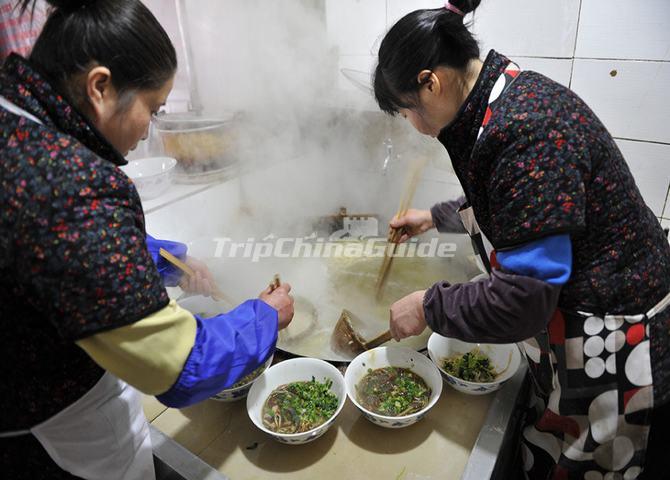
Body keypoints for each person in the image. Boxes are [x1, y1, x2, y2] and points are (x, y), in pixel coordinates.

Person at [0, 1, 294, 479]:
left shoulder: (17, 122)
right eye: (152, 109)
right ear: (100, 86)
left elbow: (56, 253)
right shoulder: (68, 184)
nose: (149, 130)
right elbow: (181, 368)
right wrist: (264, 317)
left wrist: (166, 258)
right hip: (50, 441)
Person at [376, 1, 670, 478]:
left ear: (432, 82)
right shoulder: (504, 96)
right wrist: (432, 216)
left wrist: (428, 305)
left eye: (408, 109)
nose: (413, 125)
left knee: (591, 466)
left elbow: (522, 302)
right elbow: (522, 208)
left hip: (615, 337)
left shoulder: (526, 129)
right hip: (582, 324)